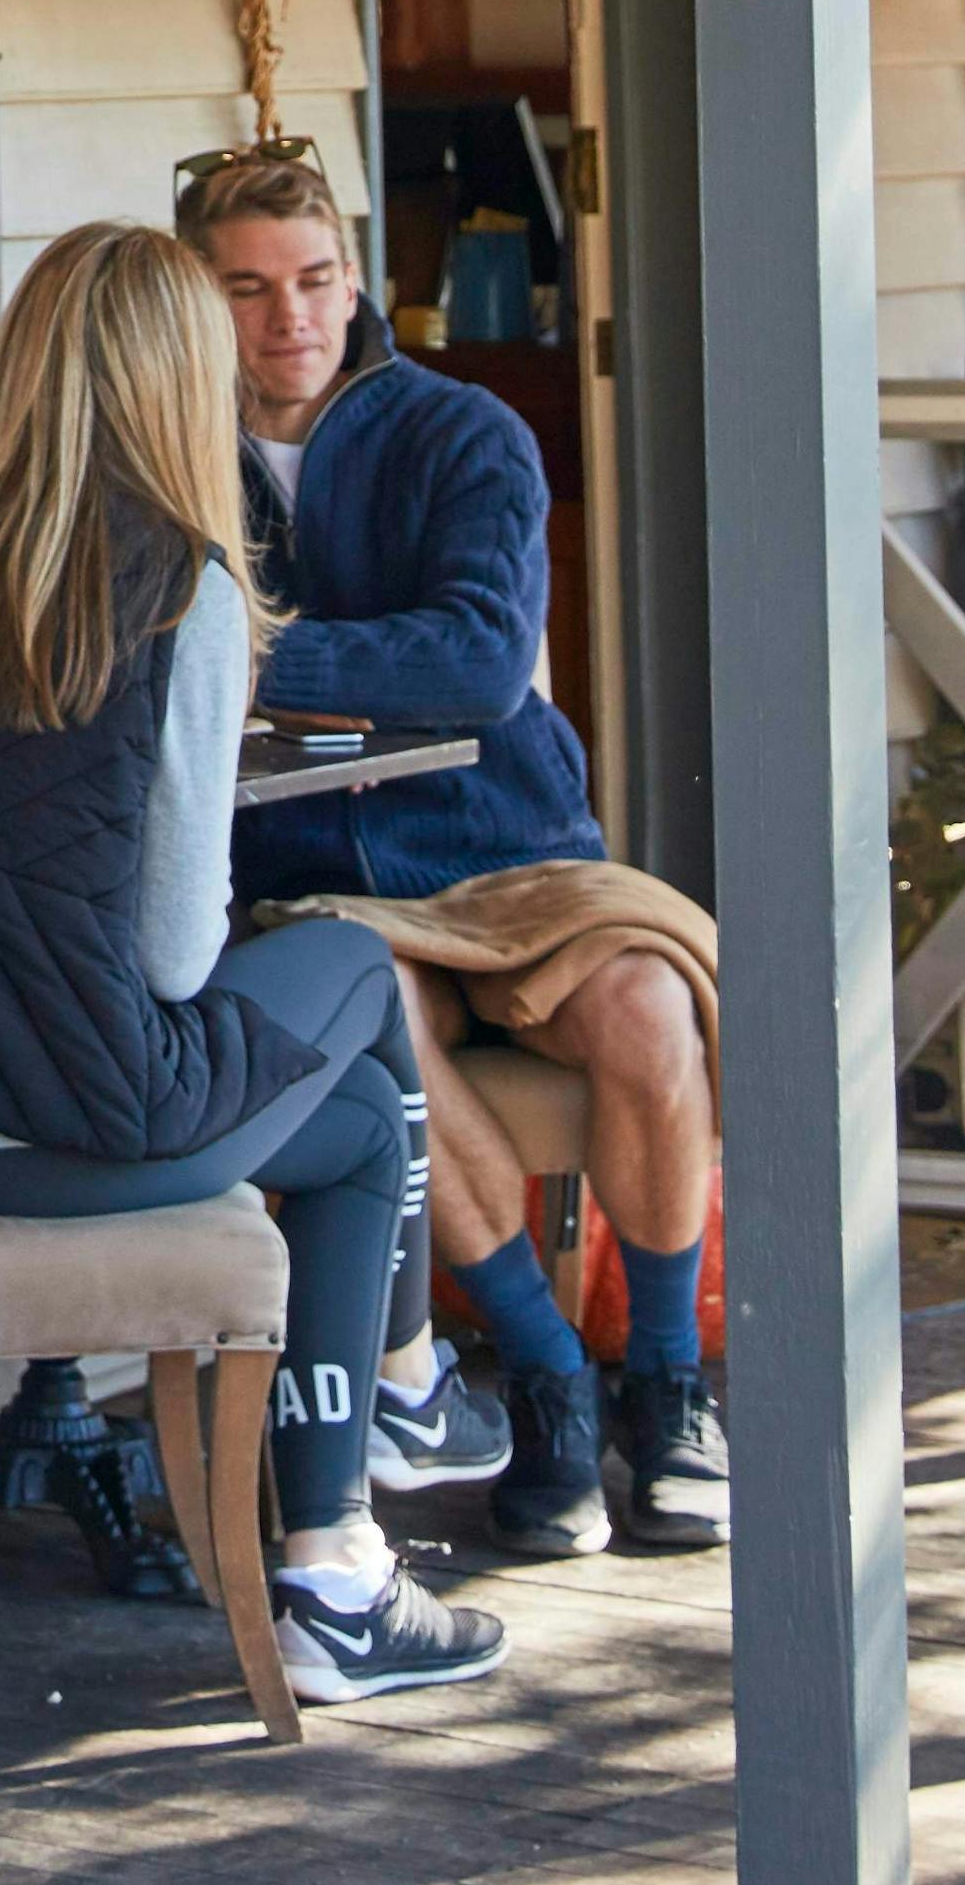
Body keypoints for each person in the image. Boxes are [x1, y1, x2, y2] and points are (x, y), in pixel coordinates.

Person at [0, 218, 505, 1711]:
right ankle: (387, 1427)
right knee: (349, 969)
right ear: (184, 374)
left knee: (352, 1130)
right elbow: (172, 955)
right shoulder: (184, 587)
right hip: (67, 1136)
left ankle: (345, 1546)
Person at [181, 149, 726, 1568]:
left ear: (353, 278)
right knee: (386, 1040)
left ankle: (666, 1386)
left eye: (313, 281)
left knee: (648, 1005)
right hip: (311, 868)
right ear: (193, 297)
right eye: (246, 290)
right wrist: (347, 668)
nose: (289, 318)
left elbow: (479, 662)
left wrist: (252, 658)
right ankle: (545, 1381)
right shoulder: (168, 458)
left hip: (510, 845)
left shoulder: (460, 431)